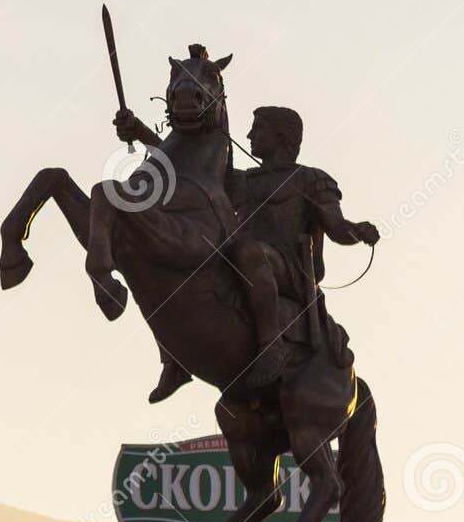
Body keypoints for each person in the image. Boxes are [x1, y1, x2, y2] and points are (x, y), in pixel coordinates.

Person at [116, 103, 378, 403]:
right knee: (181, 261)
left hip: (288, 270)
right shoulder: (244, 181)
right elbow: (184, 166)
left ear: (280, 135)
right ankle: (174, 358)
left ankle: (271, 344)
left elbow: (337, 228)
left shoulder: (311, 179)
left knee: (247, 250)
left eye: (259, 128)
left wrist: (359, 230)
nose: (250, 134)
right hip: (239, 261)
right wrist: (139, 132)